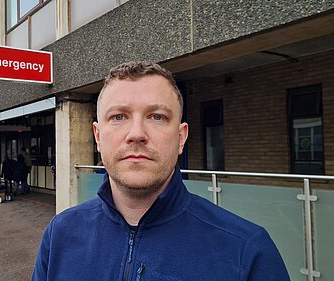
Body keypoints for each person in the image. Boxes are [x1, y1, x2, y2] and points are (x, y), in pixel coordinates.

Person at [32, 61, 290, 281]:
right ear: (98, 137)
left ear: (181, 138)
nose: (136, 134)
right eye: (119, 117)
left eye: (156, 116)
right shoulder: (60, 235)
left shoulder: (247, 252)